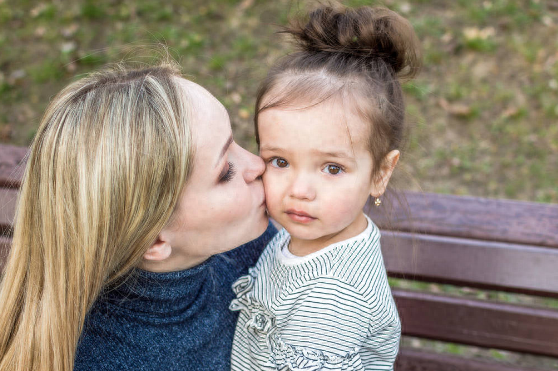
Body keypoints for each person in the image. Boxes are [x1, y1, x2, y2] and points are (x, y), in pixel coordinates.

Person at [0, 62, 277, 371]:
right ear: (155, 240)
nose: (258, 164)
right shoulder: (112, 360)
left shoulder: (246, 240)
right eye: (225, 171)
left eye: (236, 141)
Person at [229, 3, 421, 370]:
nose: (299, 189)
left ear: (381, 173)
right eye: (280, 161)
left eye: (332, 168)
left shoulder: (332, 298)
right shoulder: (306, 234)